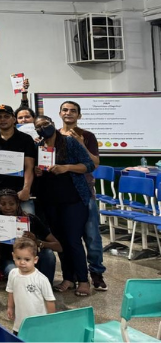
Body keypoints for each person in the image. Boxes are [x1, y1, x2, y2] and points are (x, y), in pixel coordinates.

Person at [33, 115, 95, 297]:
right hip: (50, 201)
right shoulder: (39, 146)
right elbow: (39, 171)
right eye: (39, 127)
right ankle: (68, 278)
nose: (43, 128)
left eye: (46, 124)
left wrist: (66, 167)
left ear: (53, 124)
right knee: (60, 240)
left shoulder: (69, 142)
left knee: (73, 240)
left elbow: (89, 165)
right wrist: (38, 171)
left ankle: (83, 280)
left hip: (73, 199)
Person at [58, 100, 106, 292]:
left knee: (92, 235)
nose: (69, 113)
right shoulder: (53, 135)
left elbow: (94, 163)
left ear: (79, 115)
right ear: (60, 113)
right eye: (65, 110)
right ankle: (72, 276)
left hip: (85, 192)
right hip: (61, 193)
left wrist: (80, 144)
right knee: (69, 237)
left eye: (73, 111)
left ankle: (96, 272)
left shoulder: (88, 136)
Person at [0, 189, 61, 283]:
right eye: (3, 204)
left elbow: (58, 247)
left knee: (48, 254)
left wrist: (37, 242)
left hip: (32, 259)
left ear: (17, 204)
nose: (7, 207)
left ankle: (46, 288)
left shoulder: (31, 220)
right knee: (16, 273)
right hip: (11, 261)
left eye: (11, 204)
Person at [0, 105, 36, 213]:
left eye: (6, 116)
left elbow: (29, 166)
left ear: (14, 119)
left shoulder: (26, 139)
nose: (2, 119)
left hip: (20, 190)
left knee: (27, 224)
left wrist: (26, 189)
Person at [6, 237, 56, 335]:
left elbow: (50, 301)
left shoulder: (41, 279)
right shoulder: (13, 274)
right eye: (18, 258)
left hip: (38, 324)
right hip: (19, 324)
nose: (22, 262)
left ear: (35, 259)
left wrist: (51, 320)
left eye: (27, 259)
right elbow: (10, 292)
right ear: (13, 256)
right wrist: (10, 307)